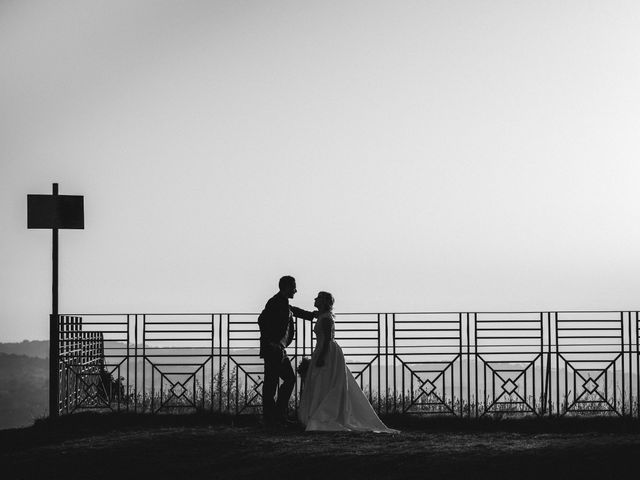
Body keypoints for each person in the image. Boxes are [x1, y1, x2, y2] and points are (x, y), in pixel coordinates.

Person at [298, 291, 398, 433]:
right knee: (322, 382)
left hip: (327, 352)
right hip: (323, 349)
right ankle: (319, 413)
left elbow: (326, 339)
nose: (315, 299)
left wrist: (321, 356)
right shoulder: (323, 316)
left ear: (324, 302)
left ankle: (324, 415)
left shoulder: (326, 318)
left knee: (324, 381)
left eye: (318, 298)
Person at [258, 275, 316, 426]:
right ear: (286, 287)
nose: (296, 291)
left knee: (279, 381)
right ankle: (273, 417)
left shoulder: (282, 303)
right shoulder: (275, 302)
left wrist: (312, 315)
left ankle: (274, 416)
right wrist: (271, 342)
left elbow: (294, 311)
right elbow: (261, 320)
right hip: (274, 349)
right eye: (294, 287)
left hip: (278, 349)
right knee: (276, 382)